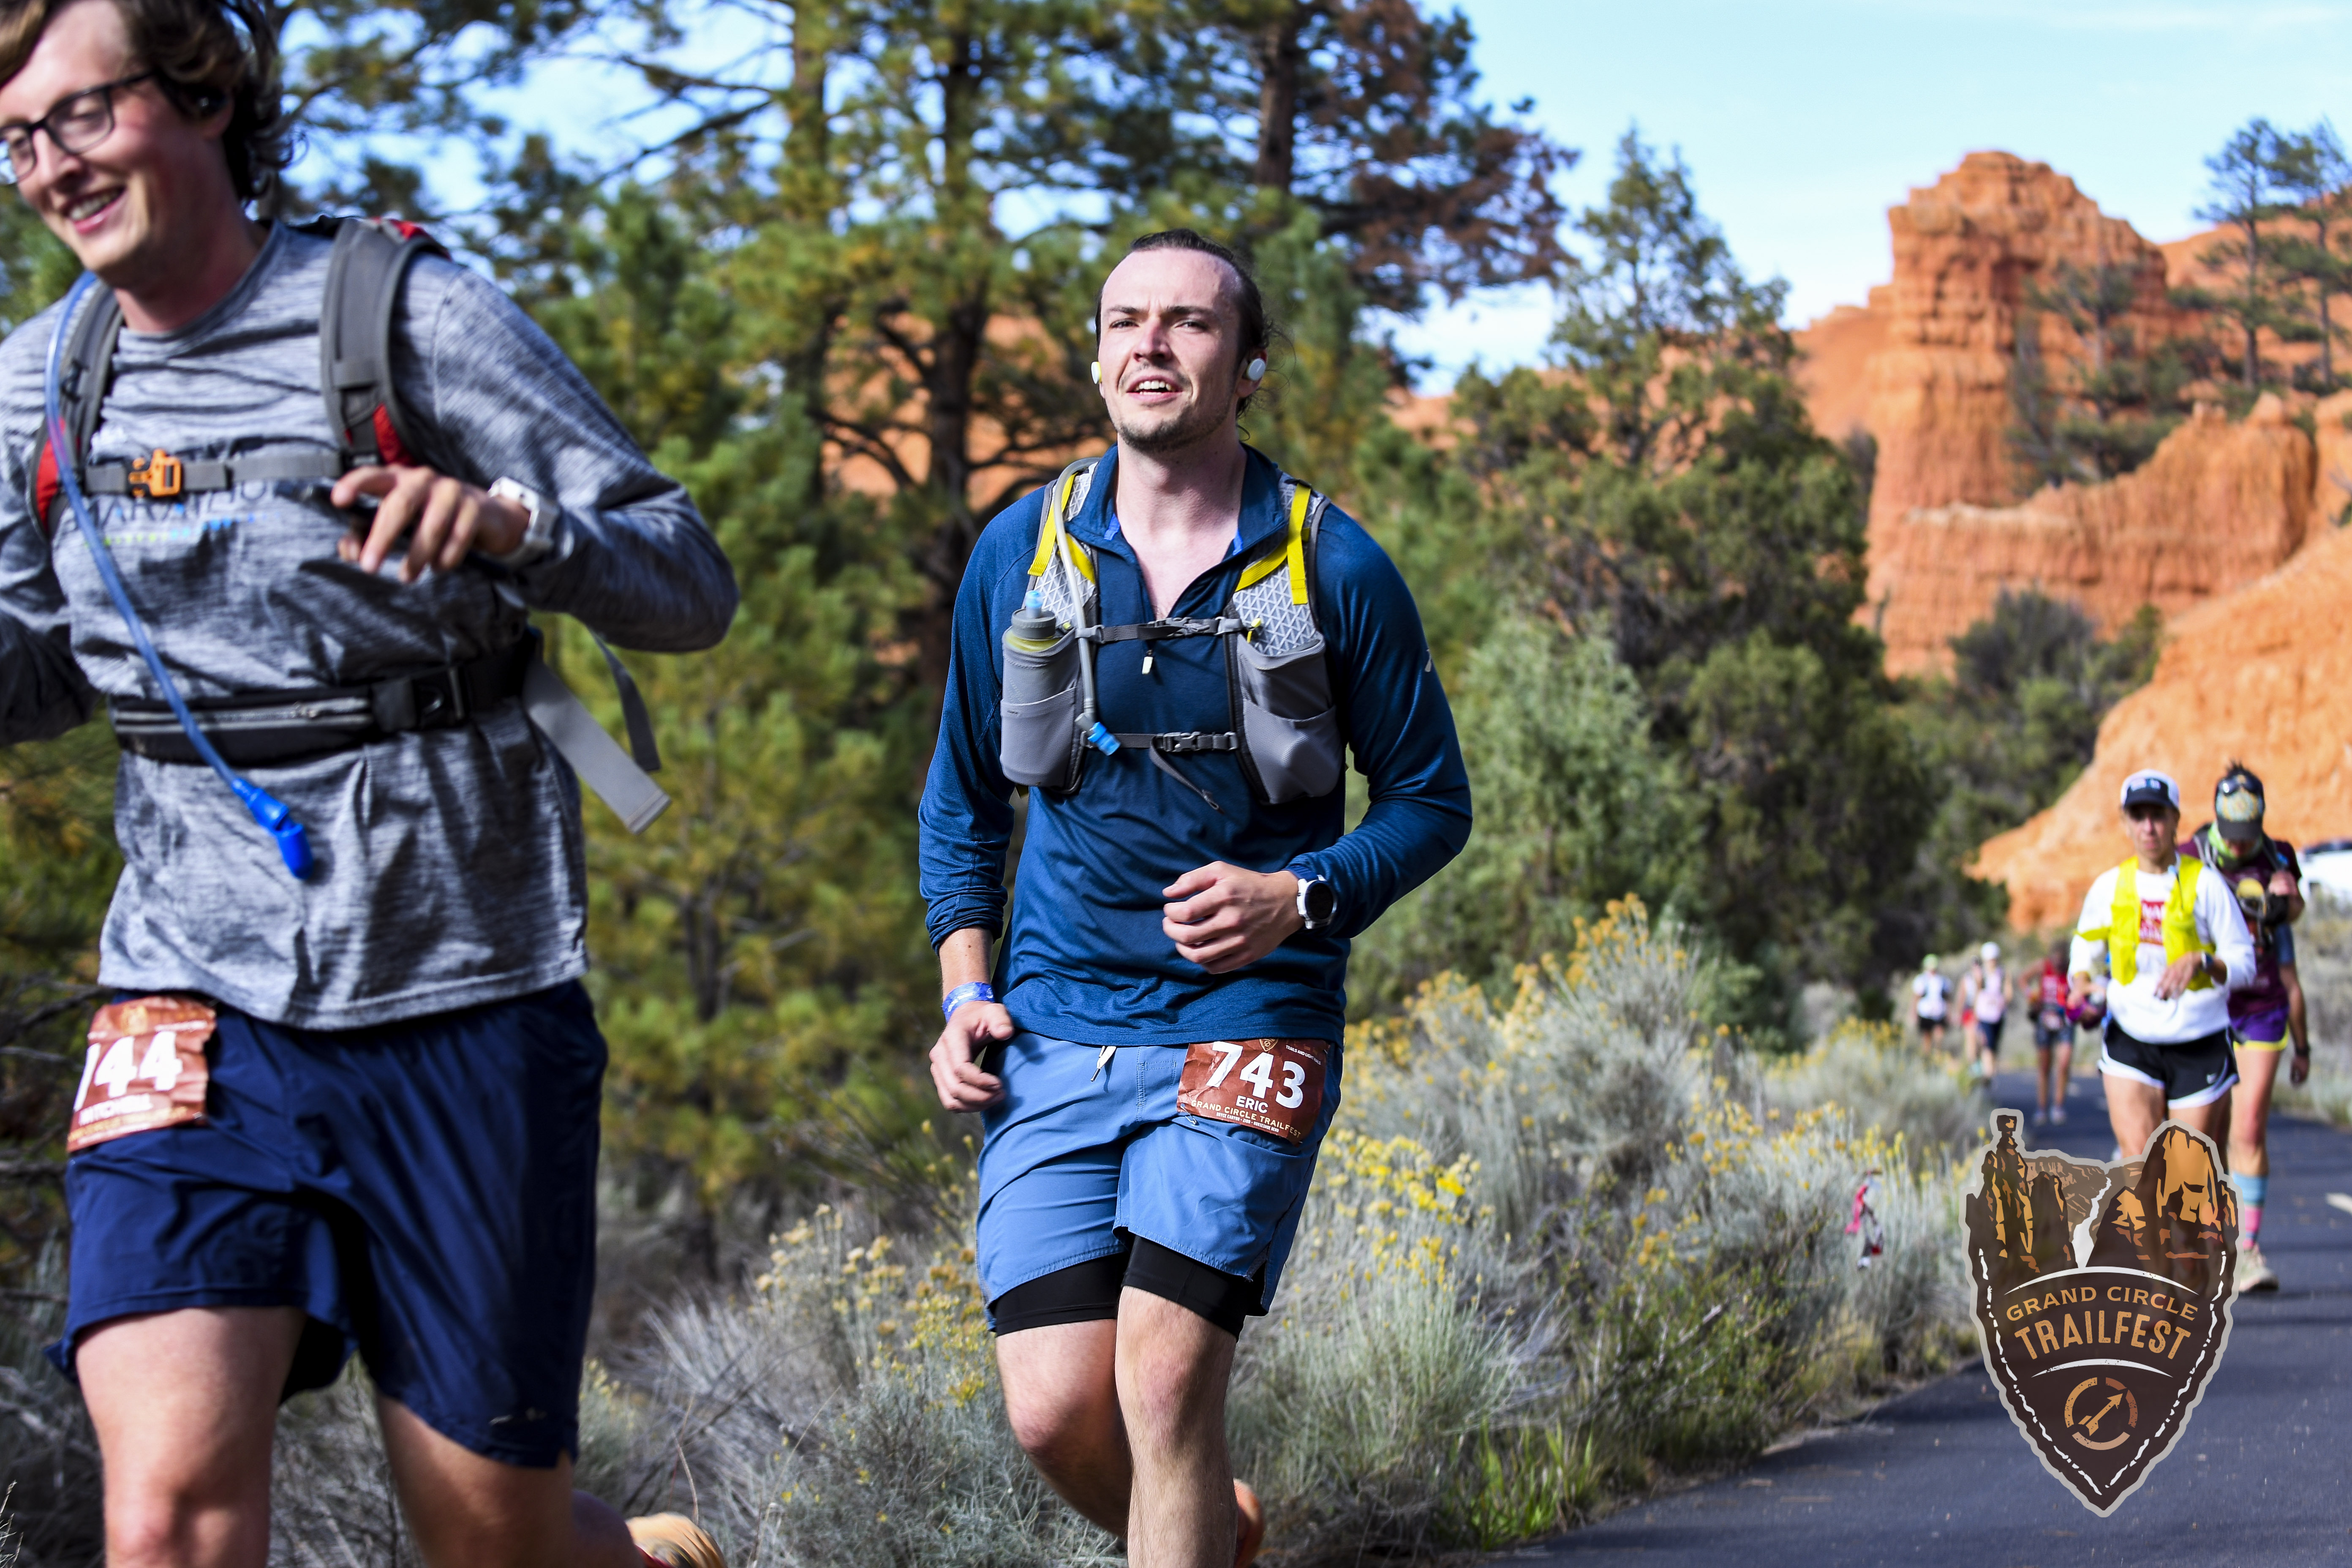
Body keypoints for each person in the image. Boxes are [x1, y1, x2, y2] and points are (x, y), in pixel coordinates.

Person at [0, 1, 738, 1563]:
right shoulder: (39, 391)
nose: (50, 167)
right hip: (185, 990)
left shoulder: (407, 317)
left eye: (82, 115)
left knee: (495, 1540)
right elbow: (40, 669)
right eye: (13, 141)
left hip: (459, 980)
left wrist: (517, 530)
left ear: (200, 93)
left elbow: (686, 580)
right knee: (167, 1517)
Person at [920, 229, 1471, 1568]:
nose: (1149, 345)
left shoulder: (1331, 565)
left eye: (1187, 323)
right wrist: (963, 993)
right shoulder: (1022, 550)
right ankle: (1211, 1535)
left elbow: (1429, 803)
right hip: (1054, 1022)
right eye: (1124, 321)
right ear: (1097, 352)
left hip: (1248, 1019)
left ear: (1248, 365)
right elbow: (959, 801)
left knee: (1164, 1384)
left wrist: (1299, 895)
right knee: (1056, 1412)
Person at [2069, 770, 2256, 1170]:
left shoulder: (2206, 884)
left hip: (2198, 1038)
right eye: (2138, 816)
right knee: (2139, 1171)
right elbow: (2083, 950)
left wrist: (2202, 961)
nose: (2149, 827)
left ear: (2176, 819)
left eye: (2158, 815)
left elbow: (2245, 965)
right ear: (2125, 823)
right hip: (2131, 1038)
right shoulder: (2109, 886)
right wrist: (2081, 984)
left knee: (2190, 1180)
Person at [2181, 762, 2309, 1293]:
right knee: (2205, 1133)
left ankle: (2249, 1252)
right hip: (2207, 1006)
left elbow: (2297, 910)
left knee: (2249, 1125)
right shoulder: (2191, 853)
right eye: (2231, 836)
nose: (2238, 847)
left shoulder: (2278, 853)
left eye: (2247, 836)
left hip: (2261, 1005)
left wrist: (2286, 900)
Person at [2028, 942, 2073, 1126]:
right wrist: (2031, 996)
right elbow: (2023, 979)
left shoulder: (2072, 969)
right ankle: (2041, 1108)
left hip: (2064, 1019)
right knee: (2045, 1066)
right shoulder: (2043, 966)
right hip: (2045, 1018)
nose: (2058, 965)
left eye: (2061, 962)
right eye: (2056, 961)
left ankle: (2058, 1107)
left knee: (2063, 1064)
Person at [1962, 940, 2009, 1081]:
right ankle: (1986, 1073)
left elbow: (2008, 993)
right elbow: (1975, 993)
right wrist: (1975, 1011)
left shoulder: (2003, 974)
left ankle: (1988, 1071)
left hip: (1998, 1015)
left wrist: (2002, 1002)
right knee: (1985, 1043)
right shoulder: (1979, 975)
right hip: (1983, 1014)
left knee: (1993, 1045)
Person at [1911, 954, 1950, 1054]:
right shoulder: (1921, 980)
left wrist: (1950, 1013)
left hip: (1939, 1013)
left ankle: (1937, 1054)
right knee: (1927, 1036)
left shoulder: (1943, 981)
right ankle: (1927, 1057)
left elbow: (1948, 998)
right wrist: (1913, 1013)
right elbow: (1916, 998)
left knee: (1939, 1034)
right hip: (1925, 1013)